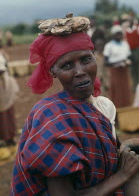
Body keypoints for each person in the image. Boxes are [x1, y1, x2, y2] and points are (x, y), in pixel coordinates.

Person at [10, 16, 139, 196]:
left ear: (95, 58)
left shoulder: (104, 107)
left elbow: (111, 153)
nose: (80, 72)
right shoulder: (50, 118)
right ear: (53, 72)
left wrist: (128, 151)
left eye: (86, 59)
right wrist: (124, 174)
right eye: (67, 65)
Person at [103, 25, 131, 108]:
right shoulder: (109, 46)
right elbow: (106, 62)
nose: (119, 36)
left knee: (125, 88)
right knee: (116, 90)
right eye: (117, 34)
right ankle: (117, 108)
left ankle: (126, 106)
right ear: (113, 35)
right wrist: (117, 63)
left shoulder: (125, 44)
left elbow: (128, 57)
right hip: (115, 71)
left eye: (120, 34)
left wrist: (127, 62)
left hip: (124, 70)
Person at [0, 51, 19, 147]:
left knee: (6, 112)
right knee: (4, 112)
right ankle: (7, 137)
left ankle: (8, 137)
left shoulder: (1, 54)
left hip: (4, 85)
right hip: (3, 85)